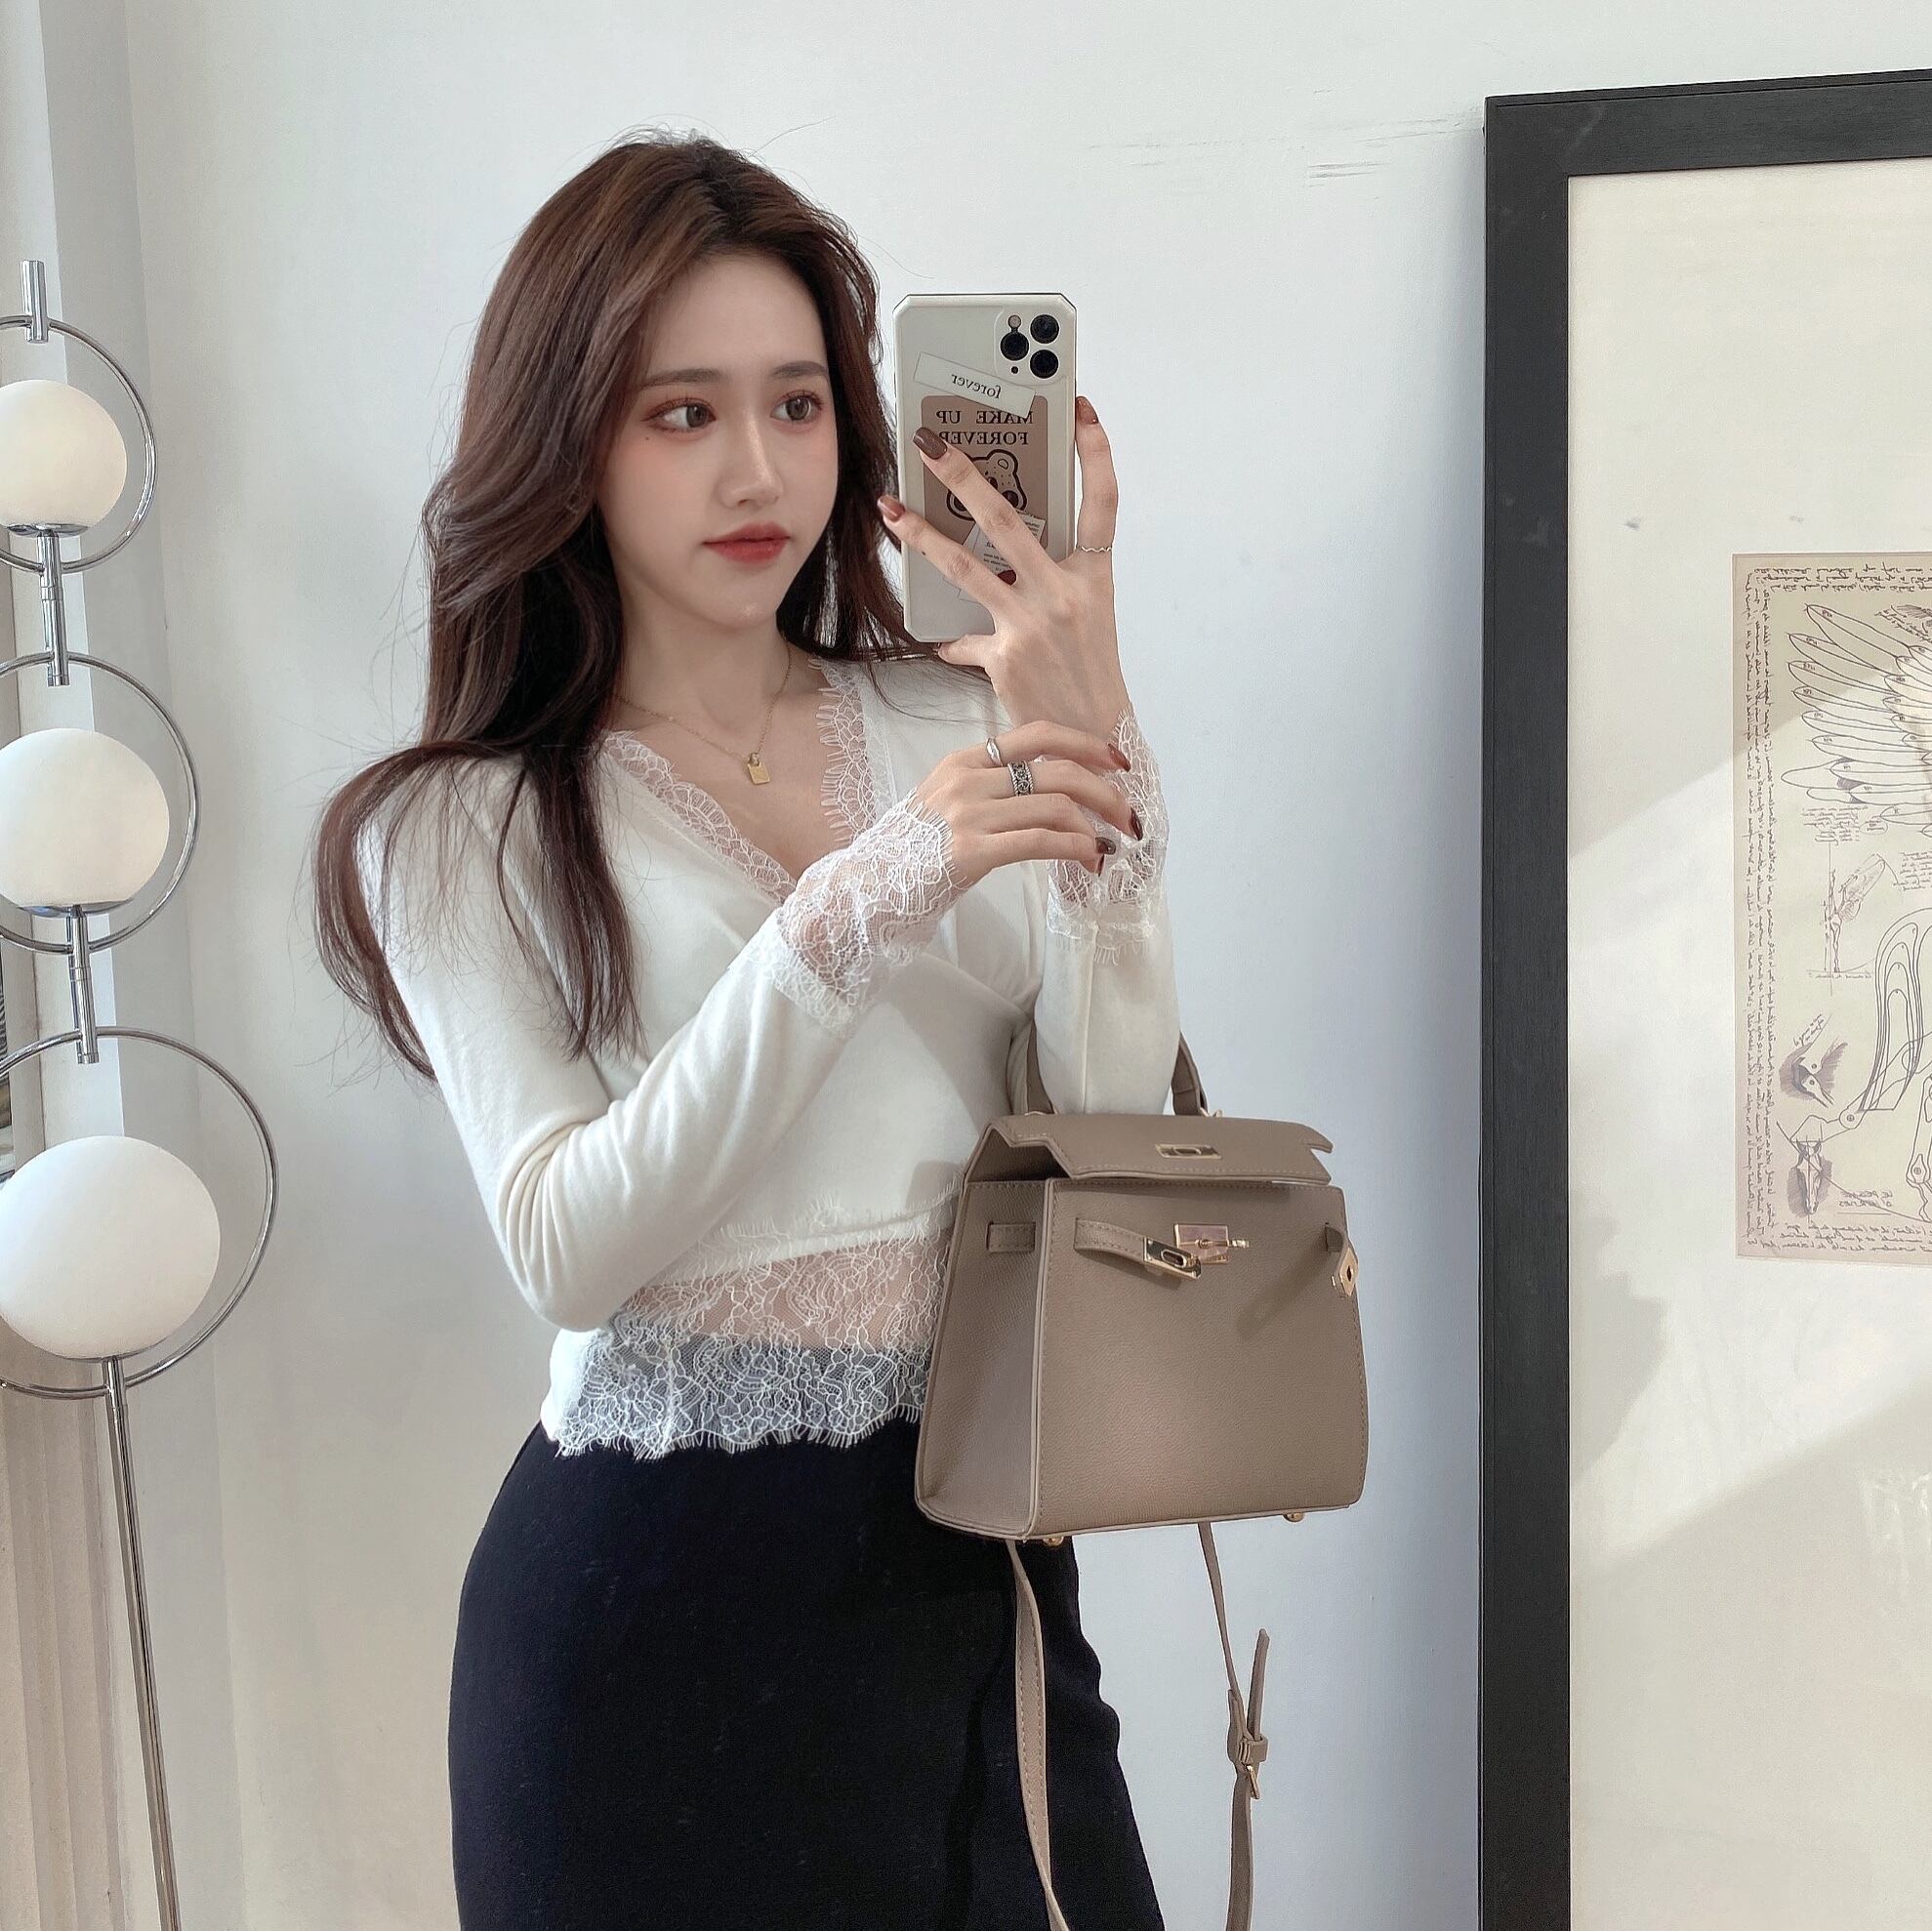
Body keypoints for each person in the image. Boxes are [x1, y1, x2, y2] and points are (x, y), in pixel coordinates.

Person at [311, 128, 1179, 1929]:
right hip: (644, 1633)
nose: (756, 467)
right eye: (681, 412)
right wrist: (855, 906)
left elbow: (1104, 1143)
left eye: (797, 402)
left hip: (976, 1579)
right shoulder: (462, 822)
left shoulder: (952, 714)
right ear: (569, 438)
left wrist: (1096, 757)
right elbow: (569, 1243)